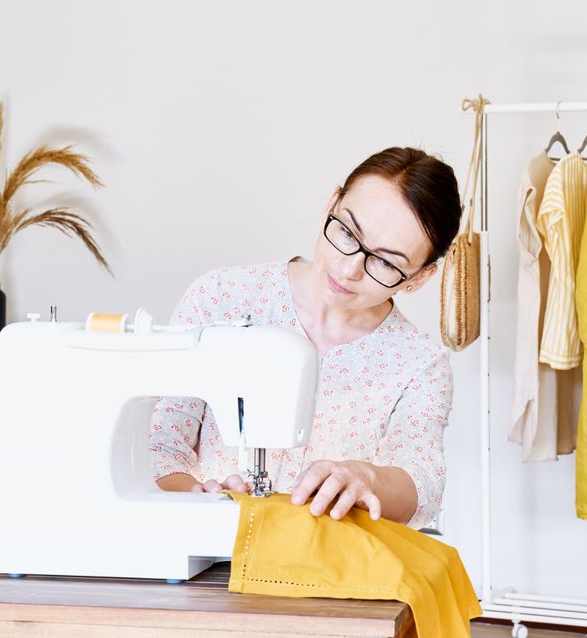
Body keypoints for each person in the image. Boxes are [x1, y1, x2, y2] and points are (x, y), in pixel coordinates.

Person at [148, 147, 462, 530]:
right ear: (332, 201)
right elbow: (161, 444)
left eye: (384, 261)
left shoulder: (418, 362)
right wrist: (200, 501)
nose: (348, 269)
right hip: (205, 561)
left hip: (329, 573)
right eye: (347, 231)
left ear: (419, 278)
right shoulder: (222, 298)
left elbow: (423, 483)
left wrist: (368, 479)